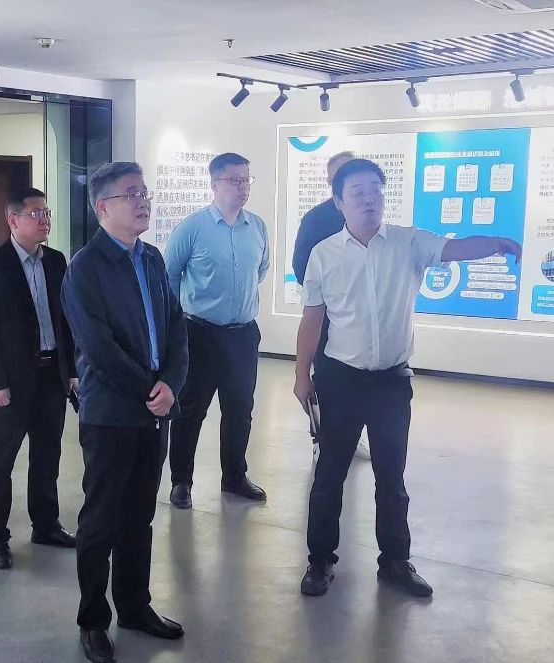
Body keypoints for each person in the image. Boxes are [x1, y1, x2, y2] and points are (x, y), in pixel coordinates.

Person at [293, 159, 521, 599]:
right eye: (358, 192)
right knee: (330, 476)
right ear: (338, 201)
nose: (369, 199)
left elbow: (454, 248)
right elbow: (312, 320)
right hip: (340, 380)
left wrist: (496, 243)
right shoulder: (324, 255)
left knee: (391, 477)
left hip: (391, 384)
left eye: (375, 190)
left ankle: (395, 562)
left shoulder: (408, 242)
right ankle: (320, 561)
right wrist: (302, 375)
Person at [62, 162, 189, 663]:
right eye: (131, 194)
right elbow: (98, 347)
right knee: (101, 522)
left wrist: (171, 383)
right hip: (111, 413)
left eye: (144, 193)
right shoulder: (85, 267)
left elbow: (176, 326)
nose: (143, 202)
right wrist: (150, 388)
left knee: (140, 516)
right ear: (103, 207)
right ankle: (93, 620)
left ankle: (135, 607)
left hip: (154, 410)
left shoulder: (151, 258)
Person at [0, 188, 79, 569]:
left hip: (52, 375)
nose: (44, 219)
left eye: (46, 212)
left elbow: (66, 321)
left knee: (47, 455)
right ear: (12, 220)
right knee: (0, 461)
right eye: (35, 213)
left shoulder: (56, 261)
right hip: (12, 382)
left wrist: (72, 370)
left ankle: (46, 525)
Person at [163, 152, 269, 509]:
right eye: (234, 180)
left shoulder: (257, 227)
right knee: (190, 409)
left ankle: (234, 476)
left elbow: (261, 270)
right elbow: (170, 275)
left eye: (246, 179)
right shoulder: (192, 228)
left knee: (240, 409)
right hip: (200, 334)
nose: (243, 187)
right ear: (214, 184)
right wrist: (179, 319)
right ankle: (181, 481)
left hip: (243, 335)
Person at [291, 150, 373, 461]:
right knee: (326, 377)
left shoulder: (369, 216)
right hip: (327, 315)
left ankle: (351, 436)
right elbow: (302, 266)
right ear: (331, 183)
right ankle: (321, 437)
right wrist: (327, 297)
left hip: (359, 316)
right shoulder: (316, 219)